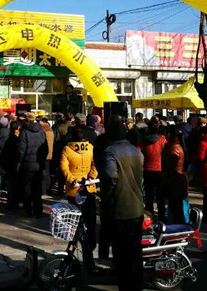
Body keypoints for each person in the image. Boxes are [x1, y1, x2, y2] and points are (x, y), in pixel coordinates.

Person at [100, 115, 144, 291]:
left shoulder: (110, 152)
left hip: (120, 208)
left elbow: (111, 176)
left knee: (121, 254)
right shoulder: (137, 152)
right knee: (135, 252)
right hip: (137, 207)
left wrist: (105, 197)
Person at [60, 124, 98, 270]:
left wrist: (72, 180)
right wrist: (91, 177)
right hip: (89, 188)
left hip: (74, 190)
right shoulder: (90, 148)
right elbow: (95, 164)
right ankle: (89, 257)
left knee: (75, 224)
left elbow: (64, 167)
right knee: (90, 224)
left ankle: (73, 252)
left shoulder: (67, 149)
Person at [17, 112, 48, 217]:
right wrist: (42, 160)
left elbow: (21, 150)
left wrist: (19, 162)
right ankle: (38, 211)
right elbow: (45, 148)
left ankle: (28, 210)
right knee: (37, 189)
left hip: (27, 164)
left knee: (27, 189)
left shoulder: (24, 132)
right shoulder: (42, 131)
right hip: (39, 165)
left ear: (26, 121)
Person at [142, 121, 168, 222]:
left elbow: (140, 151)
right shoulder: (162, 139)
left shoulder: (144, 139)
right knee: (160, 196)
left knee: (149, 196)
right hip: (159, 169)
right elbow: (165, 152)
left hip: (147, 169)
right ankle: (161, 217)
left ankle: (149, 218)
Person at [162, 125, 188, 224]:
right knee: (177, 207)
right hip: (177, 181)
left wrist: (165, 180)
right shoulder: (175, 146)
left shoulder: (173, 149)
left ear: (169, 134)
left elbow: (169, 167)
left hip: (174, 181)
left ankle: (175, 227)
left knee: (175, 208)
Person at [0, 120, 22, 212]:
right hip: (15, 164)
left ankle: (10, 204)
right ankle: (15, 204)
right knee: (15, 185)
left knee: (11, 185)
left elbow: (5, 153)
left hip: (9, 164)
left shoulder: (9, 139)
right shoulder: (17, 139)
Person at [38, 117, 55, 195]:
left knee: (43, 172)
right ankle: (47, 189)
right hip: (49, 153)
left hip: (43, 153)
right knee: (47, 172)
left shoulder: (43, 129)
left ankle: (43, 190)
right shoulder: (50, 129)